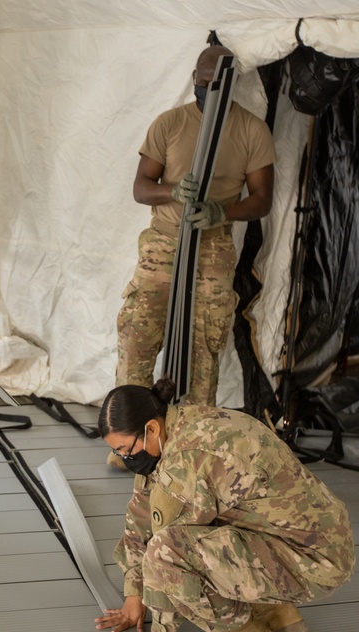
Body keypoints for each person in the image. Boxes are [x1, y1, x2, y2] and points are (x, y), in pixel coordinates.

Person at [94, 377, 355, 632]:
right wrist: (133, 594)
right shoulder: (187, 423)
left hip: (314, 562)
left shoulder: (185, 463)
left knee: (170, 549)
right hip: (317, 539)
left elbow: (163, 552)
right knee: (207, 518)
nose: (126, 460)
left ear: (151, 428)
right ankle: (275, 613)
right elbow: (141, 513)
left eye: (126, 450)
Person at [109, 45, 275, 471]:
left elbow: (261, 200)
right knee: (137, 339)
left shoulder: (250, 130)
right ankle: (129, 440)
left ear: (231, 84)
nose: (206, 90)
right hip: (163, 244)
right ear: (194, 77)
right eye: (201, 83)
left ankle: (191, 449)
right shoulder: (171, 123)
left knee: (203, 348)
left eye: (214, 84)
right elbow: (141, 187)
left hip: (213, 248)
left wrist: (222, 211)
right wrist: (173, 191)